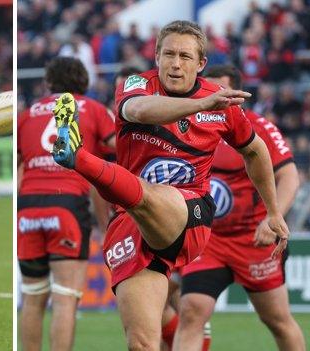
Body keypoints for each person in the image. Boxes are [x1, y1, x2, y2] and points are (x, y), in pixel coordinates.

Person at [51, 20, 289, 350]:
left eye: (185, 57)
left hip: (190, 215)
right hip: (131, 223)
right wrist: (200, 105)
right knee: (142, 343)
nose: (175, 64)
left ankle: (76, 157)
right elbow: (139, 110)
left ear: (201, 63)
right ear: (157, 56)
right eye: (168, 54)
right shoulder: (137, 84)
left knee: (150, 195)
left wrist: (274, 212)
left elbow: (256, 150)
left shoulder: (221, 105)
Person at [174, 64, 306, 351]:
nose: (213, 97)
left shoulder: (260, 128)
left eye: (221, 90)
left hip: (253, 241)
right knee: (191, 312)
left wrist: (274, 219)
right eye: (207, 89)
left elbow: (290, 176)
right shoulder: (189, 125)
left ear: (238, 95)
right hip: (208, 240)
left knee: (277, 319)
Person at [18, 57, 115, 351]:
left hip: (28, 208)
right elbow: (117, 148)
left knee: (33, 298)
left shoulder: (28, 114)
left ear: (49, 83)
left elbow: (19, 168)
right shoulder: (94, 109)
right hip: (67, 204)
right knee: (65, 298)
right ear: (83, 82)